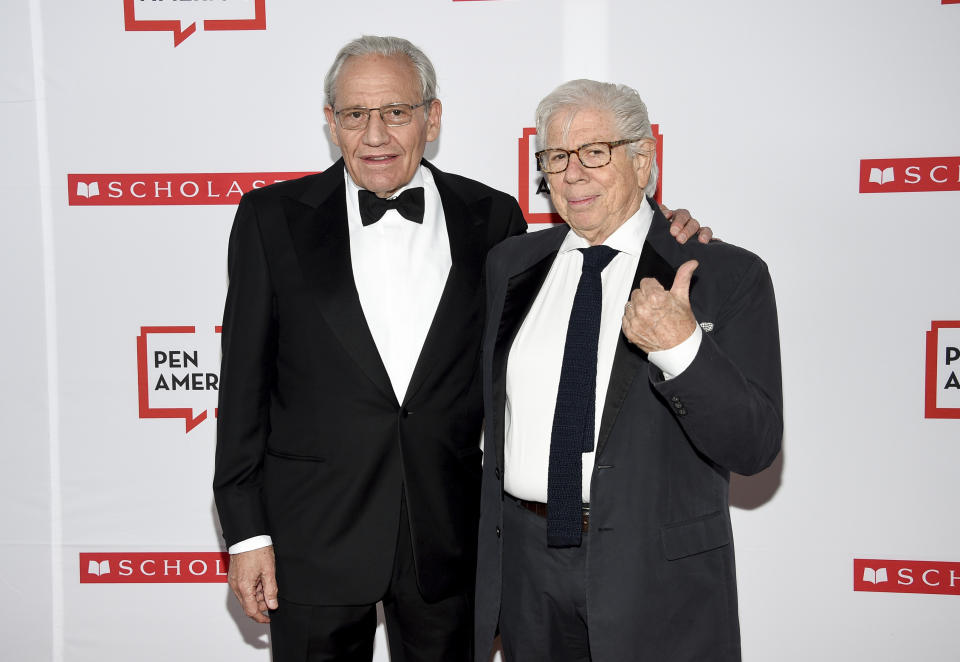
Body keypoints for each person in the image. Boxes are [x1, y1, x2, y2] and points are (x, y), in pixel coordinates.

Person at [214, 37, 708, 662]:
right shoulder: (269, 218)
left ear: (432, 117)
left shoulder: (492, 218)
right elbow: (241, 389)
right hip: (313, 536)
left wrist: (668, 228)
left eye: (395, 112)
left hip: (450, 539)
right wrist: (245, 534)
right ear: (331, 122)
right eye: (354, 115)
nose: (375, 134)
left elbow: (597, 246)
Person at [474, 79, 783, 662]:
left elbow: (755, 446)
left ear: (643, 162)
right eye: (556, 157)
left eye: (595, 152)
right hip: (526, 570)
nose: (572, 174)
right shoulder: (511, 264)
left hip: (656, 575)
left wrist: (682, 348)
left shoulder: (721, 274)